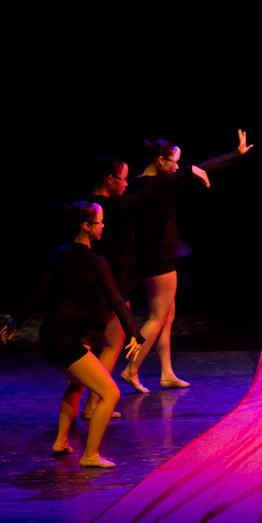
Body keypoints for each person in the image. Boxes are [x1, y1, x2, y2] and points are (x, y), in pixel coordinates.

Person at [0, 202, 145, 468]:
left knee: (77, 385)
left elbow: (38, 292)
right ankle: (90, 455)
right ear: (86, 226)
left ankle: (61, 441)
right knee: (110, 394)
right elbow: (116, 299)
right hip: (68, 340)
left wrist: (15, 322)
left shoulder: (60, 254)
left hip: (52, 337)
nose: (103, 226)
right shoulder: (97, 262)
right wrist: (134, 333)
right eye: (99, 222)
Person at [120, 131, 252, 394]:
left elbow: (198, 168)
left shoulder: (136, 184)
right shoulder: (160, 185)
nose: (177, 167)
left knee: (167, 315)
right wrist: (234, 156)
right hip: (159, 258)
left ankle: (167, 373)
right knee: (158, 316)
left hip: (149, 257)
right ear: (160, 160)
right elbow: (197, 169)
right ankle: (131, 369)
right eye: (174, 162)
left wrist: (234, 156)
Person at [80, 155, 210, 418]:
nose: (127, 183)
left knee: (86, 348)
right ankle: (92, 405)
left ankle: (83, 407)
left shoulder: (87, 208)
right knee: (111, 346)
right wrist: (188, 171)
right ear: (110, 179)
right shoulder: (117, 207)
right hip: (113, 286)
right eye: (123, 179)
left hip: (93, 284)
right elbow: (153, 189)